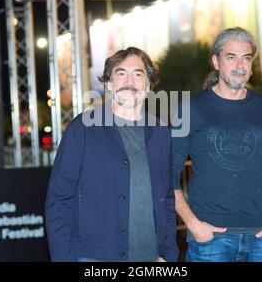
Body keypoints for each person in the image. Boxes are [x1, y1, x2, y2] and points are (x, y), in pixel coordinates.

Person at [172, 27, 262, 262]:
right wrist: (193, 225)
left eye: (246, 57)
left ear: (252, 65)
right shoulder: (189, 108)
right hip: (209, 237)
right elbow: (168, 173)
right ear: (216, 61)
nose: (240, 65)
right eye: (231, 57)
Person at [45, 47, 178, 262]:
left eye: (138, 74)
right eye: (121, 73)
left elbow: (167, 199)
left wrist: (168, 253)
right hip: (94, 257)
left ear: (148, 85)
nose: (129, 81)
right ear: (108, 84)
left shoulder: (161, 133)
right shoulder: (83, 129)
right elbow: (59, 200)